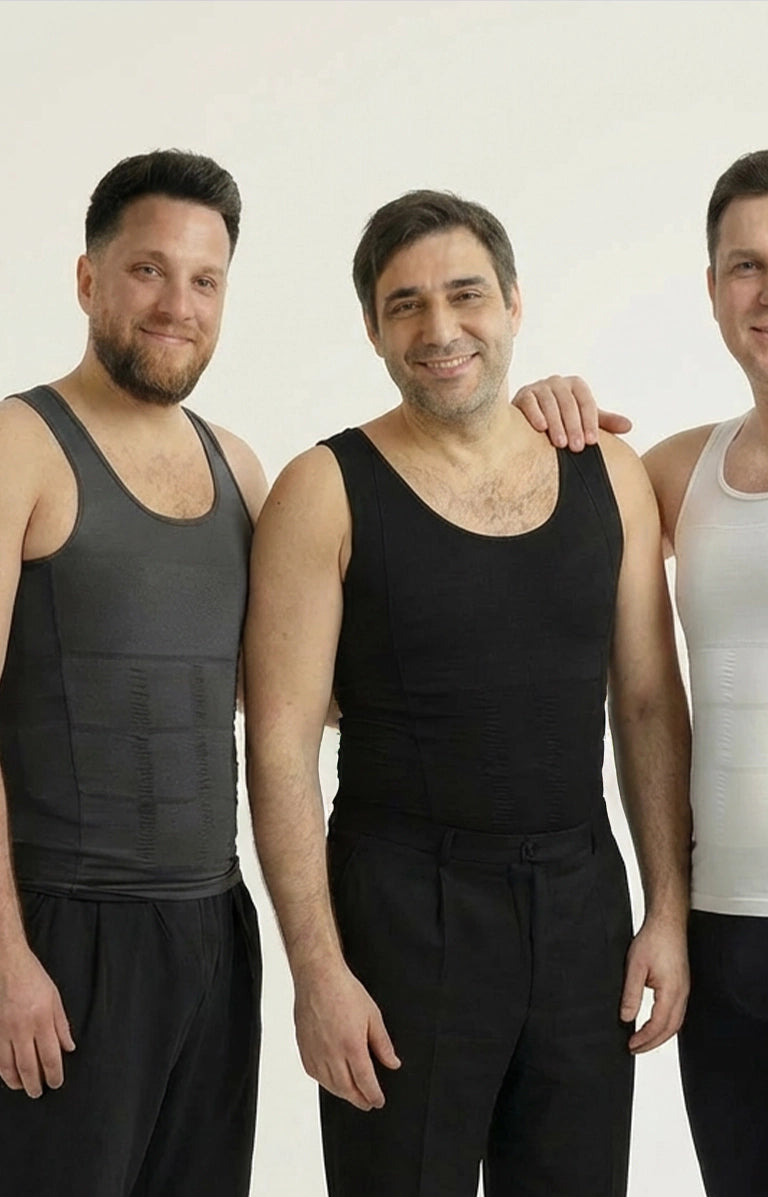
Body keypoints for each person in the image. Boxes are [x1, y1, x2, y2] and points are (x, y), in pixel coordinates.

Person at [245, 189, 691, 1197]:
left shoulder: (609, 474)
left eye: (465, 295)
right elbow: (278, 746)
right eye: (404, 305)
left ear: (514, 304)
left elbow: (648, 705)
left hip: (581, 908)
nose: (440, 329)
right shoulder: (324, 489)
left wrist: (666, 908)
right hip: (401, 916)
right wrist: (317, 972)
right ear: (371, 329)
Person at [514, 147, 768, 1197]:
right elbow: (541, 548)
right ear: (714, 288)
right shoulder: (678, 472)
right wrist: (538, 412)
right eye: (745, 267)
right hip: (719, 943)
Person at [0, 149, 268, 1197]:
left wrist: (511, 433)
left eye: (205, 280)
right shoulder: (21, 445)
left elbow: (307, 694)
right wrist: (6, 958)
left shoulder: (238, 465)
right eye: (149, 270)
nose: (177, 306)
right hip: (63, 932)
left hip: (214, 926)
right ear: (88, 279)